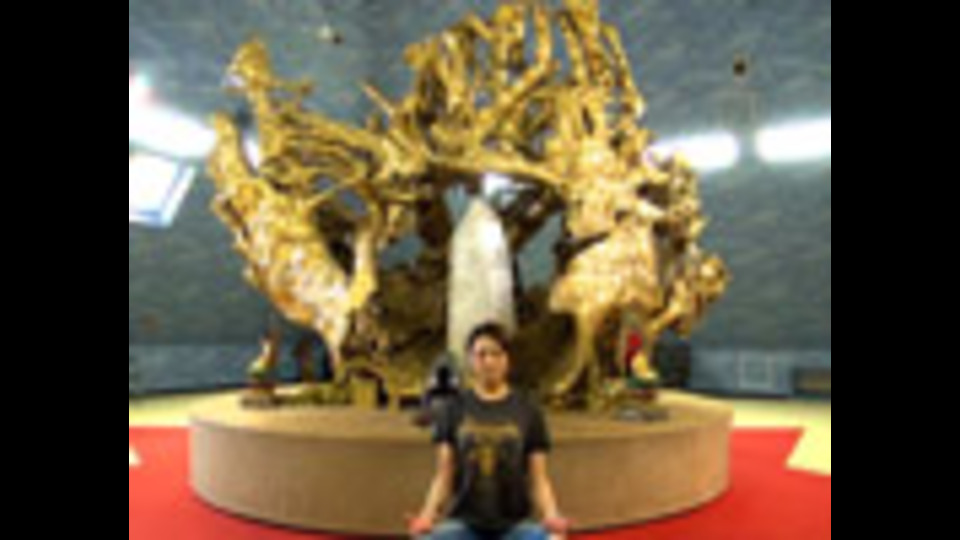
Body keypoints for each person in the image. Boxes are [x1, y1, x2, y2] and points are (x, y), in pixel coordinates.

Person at [409, 322, 570, 540]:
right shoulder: (453, 408)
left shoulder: (528, 410)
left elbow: (539, 478)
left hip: (515, 526)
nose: (489, 361)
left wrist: (552, 515)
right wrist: (427, 516)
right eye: (481, 354)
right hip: (465, 526)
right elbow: (443, 475)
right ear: (470, 360)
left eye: (496, 353)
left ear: (507, 359)